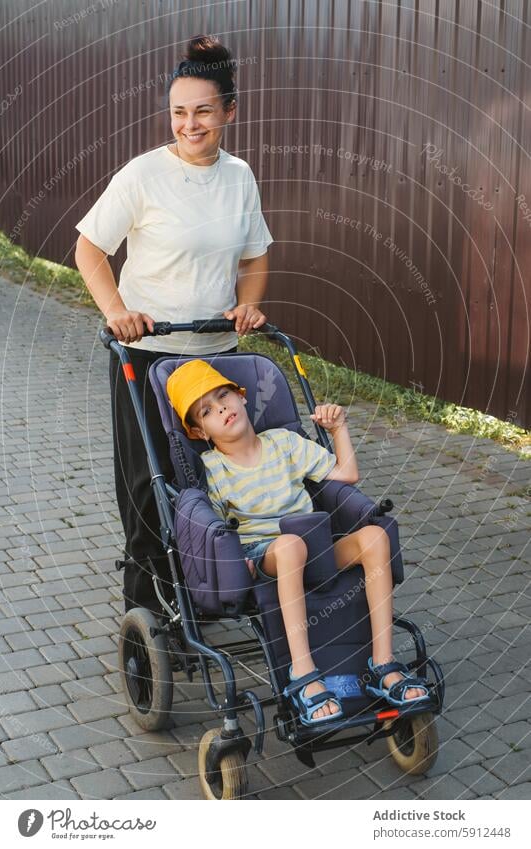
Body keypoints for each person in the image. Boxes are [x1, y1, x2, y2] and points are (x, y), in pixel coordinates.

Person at [73, 35, 273, 596]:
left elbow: (256, 253)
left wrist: (248, 302)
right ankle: (153, 604)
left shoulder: (240, 176)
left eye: (203, 111)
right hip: (147, 352)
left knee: (213, 482)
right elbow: (89, 249)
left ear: (229, 110)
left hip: (213, 358)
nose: (190, 124)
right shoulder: (142, 175)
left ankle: (216, 591)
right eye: (179, 112)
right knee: (149, 484)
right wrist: (118, 312)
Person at [166, 359, 430, 726]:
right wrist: (231, 559)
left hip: (315, 546)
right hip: (263, 556)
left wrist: (338, 428)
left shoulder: (285, 443)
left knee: (374, 537)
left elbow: (347, 474)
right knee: (290, 546)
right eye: (207, 410)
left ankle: (383, 664)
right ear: (199, 432)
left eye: (224, 395)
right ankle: (304, 674)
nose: (222, 408)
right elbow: (208, 527)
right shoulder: (211, 469)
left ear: (242, 398)